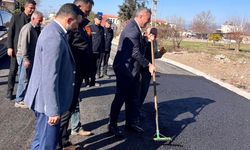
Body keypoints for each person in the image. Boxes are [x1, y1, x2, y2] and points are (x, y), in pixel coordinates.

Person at [23, 3, 82, 149]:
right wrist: (53, 111)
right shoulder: (54, 37)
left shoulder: (55, 31)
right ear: (69, 20)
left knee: (40, 140)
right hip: (47, 104)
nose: (77, 27)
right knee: (47, 144)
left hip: (45, 101)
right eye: (76, 23)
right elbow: (50, 77)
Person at [108, 8, 156, 137]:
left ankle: (130, 123)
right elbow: (135, 52)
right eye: (148, 18)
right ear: (141, 16)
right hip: (125, 69)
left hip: (133, 69)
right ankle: (112, 125)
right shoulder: (132, 30)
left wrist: (147, 41)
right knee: (121, 97)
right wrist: (148, 65)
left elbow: (138, 47)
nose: (149, 21)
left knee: (133, 97)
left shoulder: (136, 29)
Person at [57, 0, 94, 149]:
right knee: (65, 111)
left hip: (77, 75)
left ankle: (64, 141)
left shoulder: (81, 26)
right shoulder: (71, 27)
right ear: (78, 7)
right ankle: (59, 144)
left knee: (70, 108)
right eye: (86, 11)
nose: (88, 14)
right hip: (70, 76)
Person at [6, 0, 36, 100]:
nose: (32, 10)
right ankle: (9, 91)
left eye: (34, 8)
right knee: (13, 70)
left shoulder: (33, 19)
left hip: (28, 51)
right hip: (16, 49)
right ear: (25, 7)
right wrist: (9, 47)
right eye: (30, 7)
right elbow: (10, 33)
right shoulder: (16, 17)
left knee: (25, 73)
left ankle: (25, 92)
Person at [14, 11, 43, 109]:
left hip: (28, 57)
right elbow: (24, 45)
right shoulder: (28, 28)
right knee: (24, 79)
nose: (41, 22)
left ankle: (24, 98)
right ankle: (18, 100)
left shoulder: (33, 28)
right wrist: (26, 59)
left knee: (27, 78)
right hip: (24, 57)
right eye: (40, 20)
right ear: (33, 19)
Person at [87, 13, 105, 86]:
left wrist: (102, 51)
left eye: (101, 19)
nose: (100, 20)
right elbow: (87, 40)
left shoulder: (102, 29)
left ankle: (93, 82)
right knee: (89, 66)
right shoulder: (90, 27)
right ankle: (87, 81)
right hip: (91, 51)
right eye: (99, 19)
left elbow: (103, 40)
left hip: (99, 52)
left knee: (96, 67)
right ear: (95, 19)